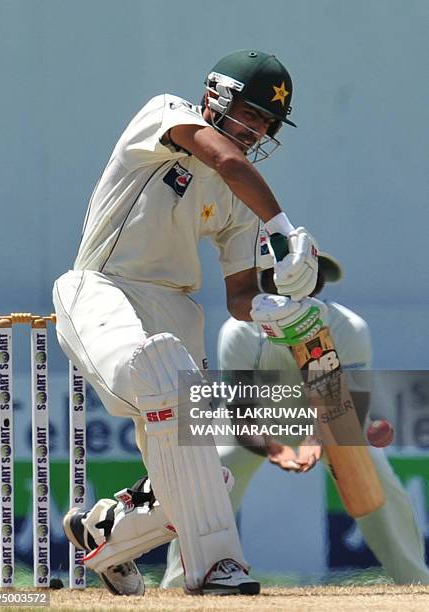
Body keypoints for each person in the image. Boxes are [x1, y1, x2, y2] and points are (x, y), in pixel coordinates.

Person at [53, 49, 325, 596]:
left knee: (208, 479)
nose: (257, 130)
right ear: (216, 97)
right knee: (158, 374)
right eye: (250, 114)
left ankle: (105, 531)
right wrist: (285, 229)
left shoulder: (241, 199)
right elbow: (223, 158)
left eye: (267, 123)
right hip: (102, 289)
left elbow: (241, 295)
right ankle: (218, 568)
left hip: (177, 311)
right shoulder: (165, 114)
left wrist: (277, 310)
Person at [161, 252, 429, 587]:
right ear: (267, 281)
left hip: (331, 419)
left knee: (378, 478)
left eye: (308, 274)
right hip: (258, 421)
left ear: (319, 282)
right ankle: (178, 582)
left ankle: (416, 582)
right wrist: (275, 448)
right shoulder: (241, 331)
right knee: (211, 474)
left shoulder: (348, 328)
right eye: (283, 274)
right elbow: (241, 416)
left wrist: (315, 443)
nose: (296, 283)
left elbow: (347, 414)